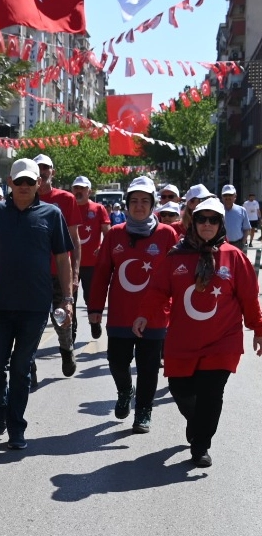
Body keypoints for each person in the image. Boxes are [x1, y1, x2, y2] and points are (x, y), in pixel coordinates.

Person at [134, 197, 262, 467]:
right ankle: (198, 421)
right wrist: (144, 314)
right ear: (193, 222)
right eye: (201, 218)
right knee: (180, 389)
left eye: (213, 219)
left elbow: (250, 298)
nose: (207, 224)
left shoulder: (234, 257)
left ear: (220, 224)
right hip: (183, 341)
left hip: (222, 342)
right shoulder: (177, 256)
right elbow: (158, 290)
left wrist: (258, 329)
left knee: (211, 393)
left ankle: (201, 444)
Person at [0, 158, 73, 451]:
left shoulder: (52, 215)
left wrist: (67, 299)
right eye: (20, 182)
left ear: (38, 183)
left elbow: (63, 259)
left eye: (31, 181)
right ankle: (0, 407)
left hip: (35, 305)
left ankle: (16, 427)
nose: (25, 186)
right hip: (0, 305)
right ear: (10, 183)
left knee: (20, 367)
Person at [86, 177, 180, 435]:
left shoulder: (167, 234)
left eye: (145, 201)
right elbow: (103, 272)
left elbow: (177, 274)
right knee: (116, 361)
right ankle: (126, 390)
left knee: (149, 366)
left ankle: (143, 411)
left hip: (155, 315)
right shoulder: (115, 234)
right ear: (127, 205)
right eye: (134, 201)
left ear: (153, 205)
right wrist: (95, 307)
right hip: (121, 313)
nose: (139, 206)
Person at [32, 154, 82, 376]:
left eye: (46, 168)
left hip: (59, 270)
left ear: (53, 172)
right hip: (32, 273)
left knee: (62, 316)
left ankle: (66, 349)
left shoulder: (66, 199)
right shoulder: (23, 196)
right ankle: (28, 365)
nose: (42, 172)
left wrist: (75, 272)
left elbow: (74, 238)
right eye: (38, 168)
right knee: (31, 320)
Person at [71, 175, 111, 342]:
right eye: (76, 188)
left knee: (90, 297)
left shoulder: (98, 209)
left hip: (91, 264)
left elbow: (108, 235)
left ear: (89, 191)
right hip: (70, 263)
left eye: (82, 188)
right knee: (69, 298)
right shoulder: (68, 207)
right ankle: (70, 332)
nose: (79, 191)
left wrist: (102, 250)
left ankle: (94, 321)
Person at [220, 185, 251, 250]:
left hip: (237, 244)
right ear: (222, 197)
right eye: (225, 195)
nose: (228, 197)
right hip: (221, 245)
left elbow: (246, 229)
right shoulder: (217, 210)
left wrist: (242, 243)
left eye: (230, 195)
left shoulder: (242, 210)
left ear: (235, 196)